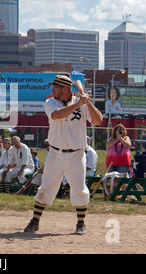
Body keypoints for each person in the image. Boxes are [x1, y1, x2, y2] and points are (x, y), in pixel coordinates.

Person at [24, 74, 103, 235]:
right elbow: (57, 115)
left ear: (65, 89)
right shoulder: (50, 102)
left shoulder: (81, 102)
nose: (52, 89)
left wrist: (88, 103)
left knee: (79, 188)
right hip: (55, 152)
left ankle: (81, 224)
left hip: (76, 154)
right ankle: (35, 221)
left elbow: (98, 120)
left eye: (56, 87)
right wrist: (79, 103)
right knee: (46, 187)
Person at [105, 124, 132, 196]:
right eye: (119, 129)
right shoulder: (111, 139)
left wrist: (121, 138)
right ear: (115, 131)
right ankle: (113, 194)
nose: (121, 131)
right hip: (111, 162)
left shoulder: (126, 138)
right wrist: (117, 139)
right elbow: (108, 145)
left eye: (122, 129)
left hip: (123, 161)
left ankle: (124, 194)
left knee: (123, 179)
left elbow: (127, 145)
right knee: (112, 178)